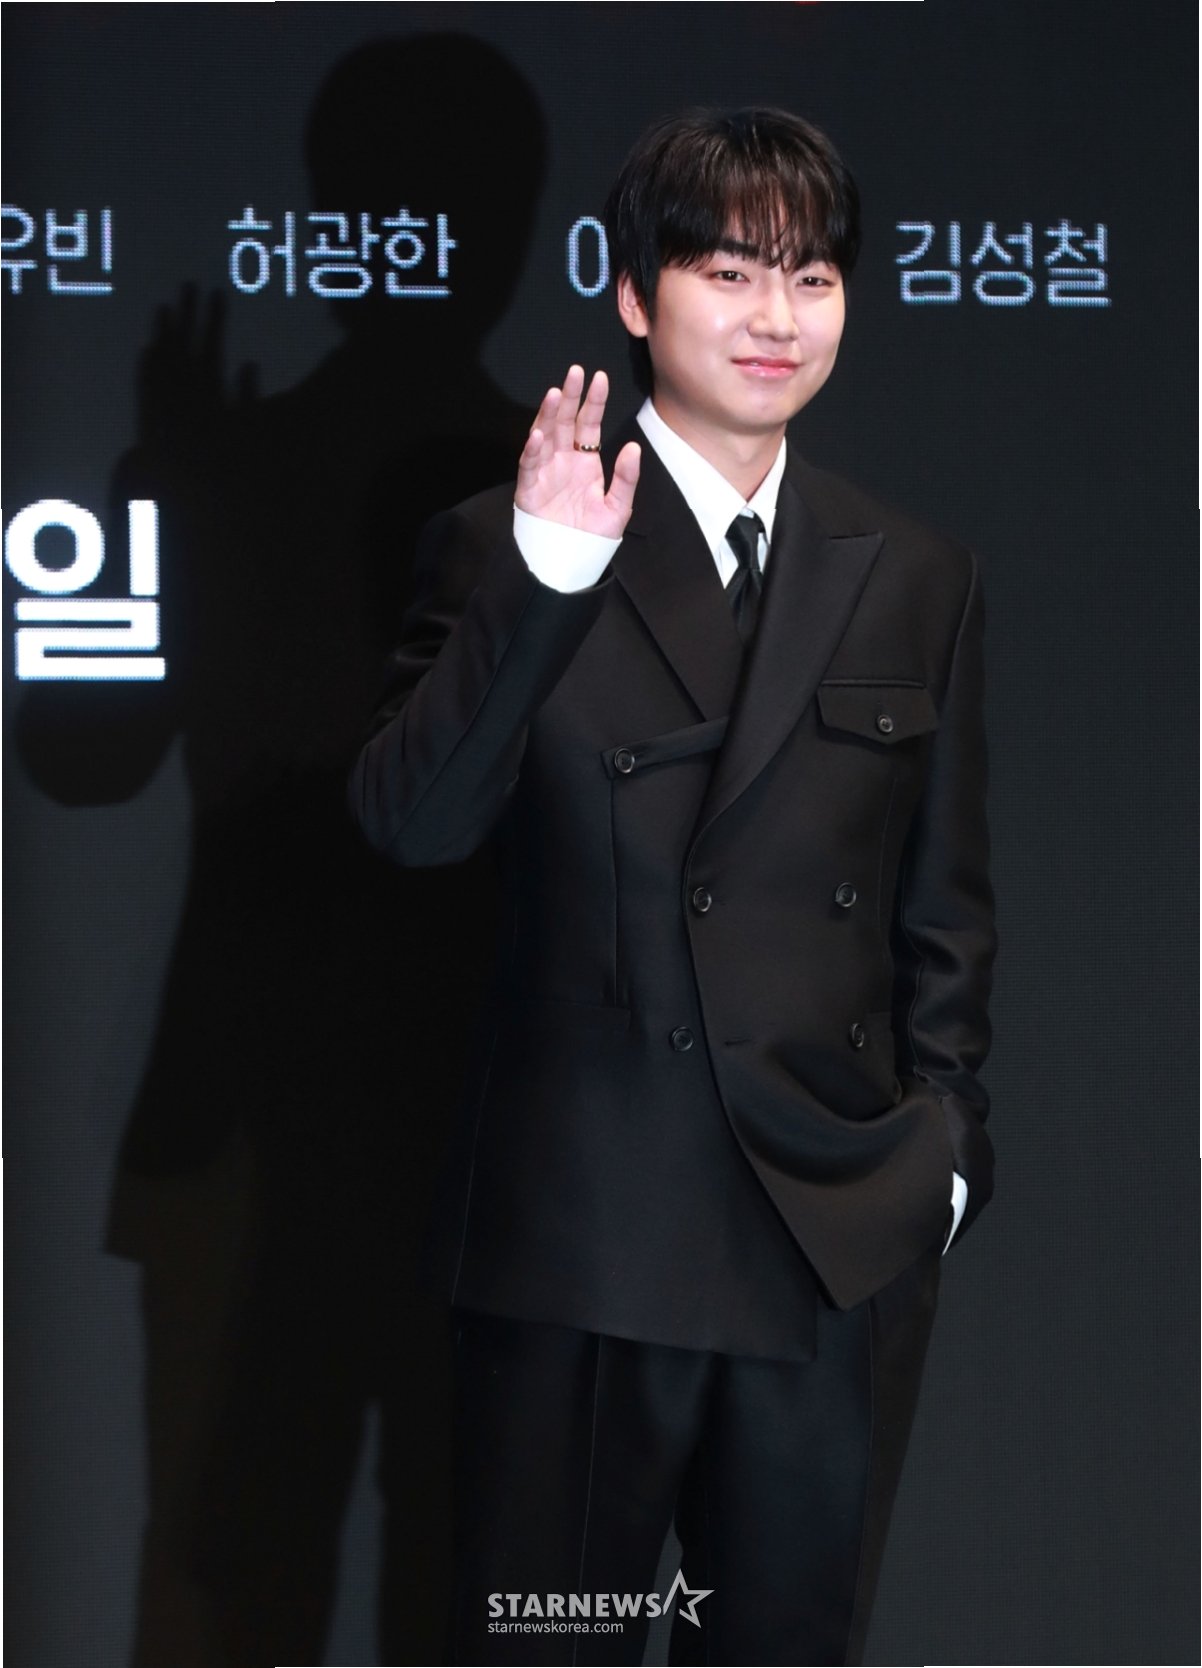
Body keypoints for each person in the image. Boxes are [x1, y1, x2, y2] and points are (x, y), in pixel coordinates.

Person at [351, 106, 996, 1666]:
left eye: (813, 278)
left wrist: (944, 1157)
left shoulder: (910, 569)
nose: (778, 318)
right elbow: (413, 826)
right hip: (587, 1240)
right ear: (635, 296)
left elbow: (943, 906)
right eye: (731, 273)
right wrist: (548, 579)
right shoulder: (511, 541)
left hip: (826, 1238)